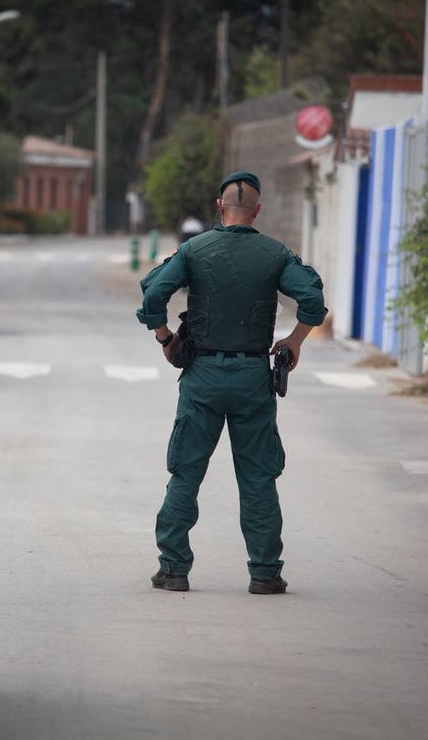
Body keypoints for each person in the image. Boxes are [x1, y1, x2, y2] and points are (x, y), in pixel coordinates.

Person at [135, 171, 327, 595]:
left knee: (185, 474)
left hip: (201, 376)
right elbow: (313, 301)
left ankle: (174, 569)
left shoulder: (193, 249)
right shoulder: (275, 254)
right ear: (258, 211)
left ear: (220, 209)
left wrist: (166, 338)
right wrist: (294, 341)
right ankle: (264, 573)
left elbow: (152, 298)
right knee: (258, 478)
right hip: (252, 378)